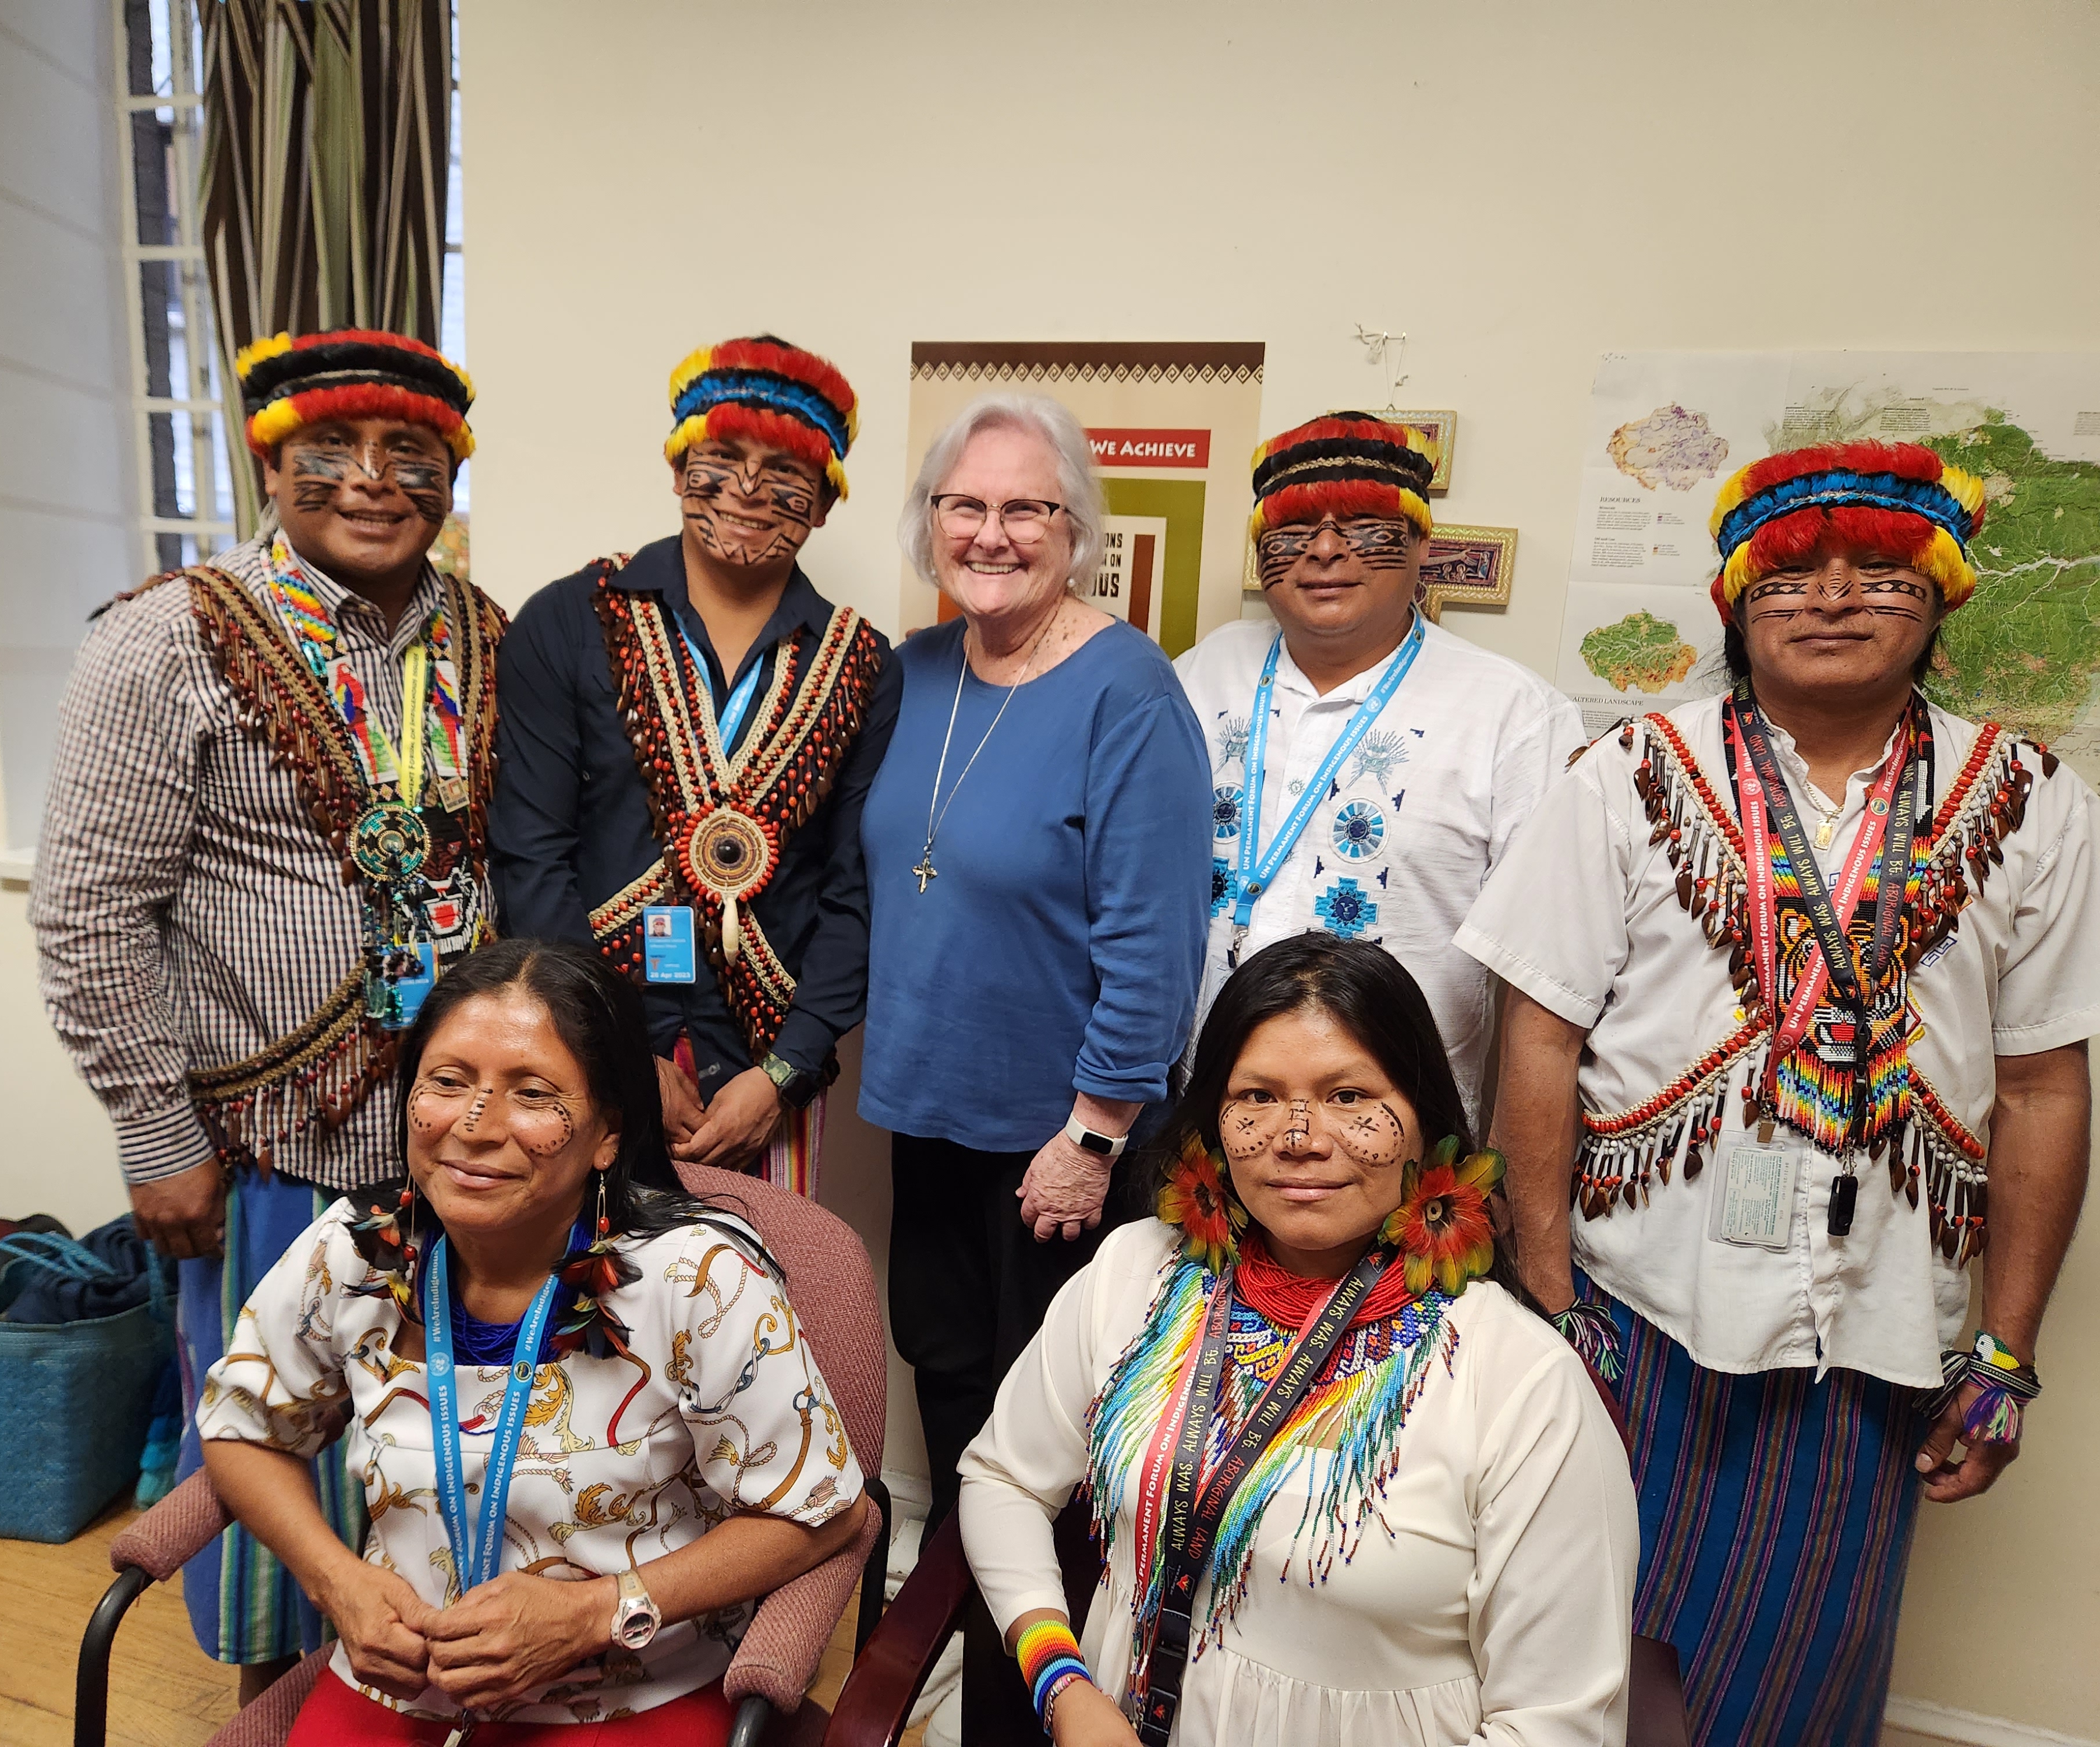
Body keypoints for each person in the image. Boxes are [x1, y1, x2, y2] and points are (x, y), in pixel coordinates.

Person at [1457, 440, 2100, 1745]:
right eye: (1789, 575)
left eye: (1879, 572)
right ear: (1735, 604)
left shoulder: (2025, 801)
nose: (1831, 597)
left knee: (1799, 1673)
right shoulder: (1629, 775)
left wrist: (2008, 1353)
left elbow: (2038, 1087)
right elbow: (1535, 1037)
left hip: (1868, 1326)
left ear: (1938, 600)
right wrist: (1542, 1290)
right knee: (1569, 1638)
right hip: (1628, 1305)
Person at [32, 328, 500, 1695]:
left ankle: (415, 1683)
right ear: (270, 459)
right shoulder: (165, 635)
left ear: (449, 472)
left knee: (421, 1433)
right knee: (269, 1429)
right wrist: (152, 1129)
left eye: (410, 454)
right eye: (330, 452)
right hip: (262, 1148)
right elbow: (89, 910)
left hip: (452, 1138)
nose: (371, 481)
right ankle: (272, 1708)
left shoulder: (482, 632)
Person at [958, 935, 1637, 1746]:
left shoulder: (1521, 1382)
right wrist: (1062, 1684)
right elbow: (1002, 1479)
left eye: (1350, 1097)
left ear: (1422, 1118)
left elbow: (1556, 1725)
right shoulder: (1136, 1275)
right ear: (1213, 1115)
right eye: (1259, 1096)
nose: (1299, 1136)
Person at [197, 939, 870, 1743]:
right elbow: (244, 1423)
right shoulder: (358, 1252)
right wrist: (335, 1580)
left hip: (631, 1683)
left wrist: (595, 1613)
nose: (475, 1127)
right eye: (447, 1083)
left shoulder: (695, 1281)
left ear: (609, 1133)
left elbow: (821, 1513)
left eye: (532, 1093)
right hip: (402, 1677)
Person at [858, 393, 1211, 1740]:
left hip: (1058, 1146)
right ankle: (963, 1689)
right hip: (928, 1119)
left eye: (1024, 509)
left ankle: (1048, 1713)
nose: (990, 532)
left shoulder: (1127, 688)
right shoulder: (913, 670)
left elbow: (1156, 940)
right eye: (965, 505)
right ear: (929, 521)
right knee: (950, 1407)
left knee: (1050, 1451)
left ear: (1074, 532)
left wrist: (1095, 1130)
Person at [493, 337, 896, 1203]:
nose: (750, 491)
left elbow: (854, 890)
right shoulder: (568, 622)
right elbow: (531, 855)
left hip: (766, 1068)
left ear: (824, 502)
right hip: (588, 1049)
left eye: (786, 470)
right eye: (724, 459)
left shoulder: (860, 663)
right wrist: (615, 1054)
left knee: (757, 1309)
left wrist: (786, 1071)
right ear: (678, 470)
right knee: (583, 1305)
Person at [1174, 413, 1583, 1119]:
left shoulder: (1513, 713)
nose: (1326, 552)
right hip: (1197, 1105)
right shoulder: (1203, 672)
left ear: (1422, 543)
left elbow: (1544, 976)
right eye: (1294, 532)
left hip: (1396, 1128)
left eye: (1363, 526)